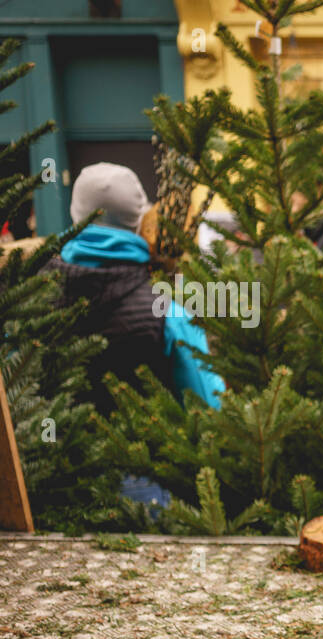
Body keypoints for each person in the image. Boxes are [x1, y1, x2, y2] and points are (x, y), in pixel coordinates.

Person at [46, 163, 225, 509]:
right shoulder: (167, 309)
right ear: (138, 219)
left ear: (75, 214)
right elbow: (209, 408)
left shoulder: (30, 296)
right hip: (144, 489)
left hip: (48, 485)